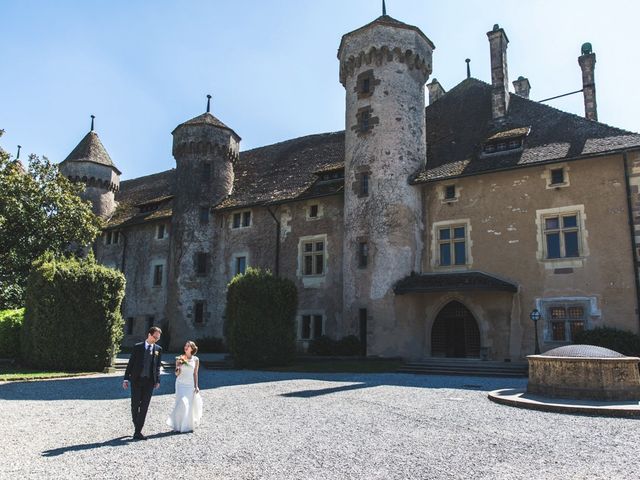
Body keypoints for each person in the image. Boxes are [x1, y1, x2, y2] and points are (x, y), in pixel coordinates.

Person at [122, 326, 163, 440]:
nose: (156, 339)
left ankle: (138, 431)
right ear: (149, 335)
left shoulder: (158, 349)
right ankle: (137, 425)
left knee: (144, 406)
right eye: (155, 337)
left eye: (158, 338)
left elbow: (157, 366)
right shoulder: (138, 347)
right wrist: (126, 378)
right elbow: (131, 363)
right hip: (136, 380)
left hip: (149, 382)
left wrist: (158, 380)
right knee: (135, 405)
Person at [167, 340, 203, 433]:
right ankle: (178, 425)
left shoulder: (196, 359)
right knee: (181, 403)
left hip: (190, 384)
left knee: (188, 404)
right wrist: (178, 367)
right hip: (180, 384)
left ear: (192, 348)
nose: (186, 347)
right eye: (185, 345)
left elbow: (195, 373)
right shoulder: (180, 358)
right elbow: (176, 374)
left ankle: (187, 425)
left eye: (188, 346)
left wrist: (196, 386)